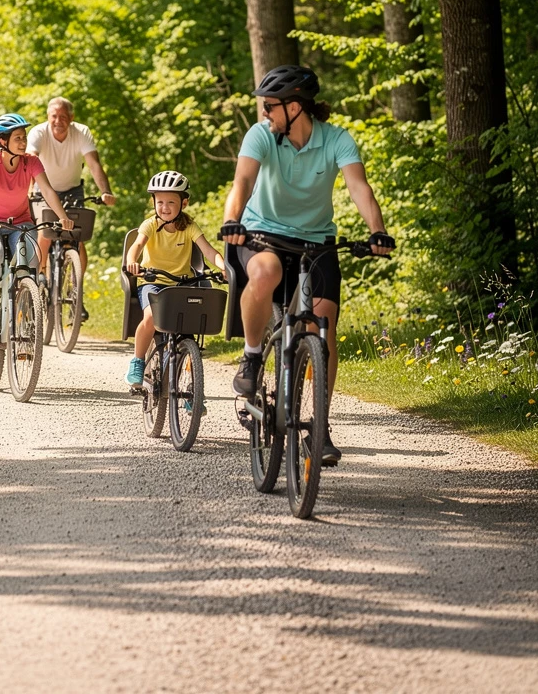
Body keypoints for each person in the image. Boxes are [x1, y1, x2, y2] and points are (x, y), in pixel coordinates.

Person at [220, 65, 395, 465]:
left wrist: (377, 229)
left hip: (315, 241)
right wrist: (233, 220)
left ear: (295, 107)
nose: (264, 113)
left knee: (324, 325)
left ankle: (320, 425)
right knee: (265, 273)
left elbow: (358, 186)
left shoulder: (337, 140)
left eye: (270, 106)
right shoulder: (261, 135)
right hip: (262, 233)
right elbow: (242, 183)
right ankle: (250, 356)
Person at [0, 113, 74, 331]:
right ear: (2, 141)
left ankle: (24, 311)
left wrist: (62, 216)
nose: (23, 142)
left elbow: (46, 190)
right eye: (17, 138)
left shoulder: (31, 162)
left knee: (30, 259)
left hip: (21, 222)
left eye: (24, 137)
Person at [124, 171, 225, 388]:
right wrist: (132, 261)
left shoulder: (189, 227)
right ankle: (138, 360)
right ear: (154, 202)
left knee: (188, 333)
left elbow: (208, 251)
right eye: (160, 202)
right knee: (150, 317)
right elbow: (137, 245)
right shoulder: (150, 225)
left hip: (182, 284)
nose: (165, 207)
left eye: (171, 202)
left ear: (184, 202)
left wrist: (225, 267)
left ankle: (191, 388)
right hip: (153, 281)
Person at [26, 97, 115, 288]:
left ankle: (77, 290)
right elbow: (30, 161)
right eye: (54, 116)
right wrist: (28, 189)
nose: (58, 121)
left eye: (63, 117)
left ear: (71, 117)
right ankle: (40, 273)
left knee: (78, 238)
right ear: (48, 116)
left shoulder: (81, 132)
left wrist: (105, 191)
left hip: (72, 191)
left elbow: (94, 164)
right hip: (43, 191)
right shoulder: (38, 133)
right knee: (45, 231)